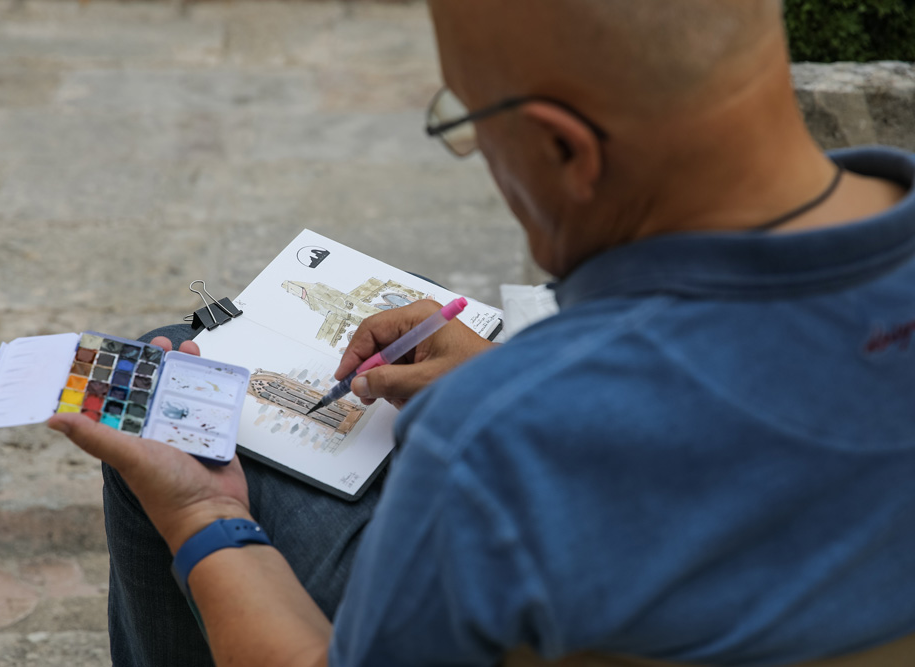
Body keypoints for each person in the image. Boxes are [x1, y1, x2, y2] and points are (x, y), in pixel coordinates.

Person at [49, 0, 915, 665]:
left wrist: (202, 514)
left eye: (468, 125)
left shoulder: (497, 444)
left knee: (169, 405)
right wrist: (507, 374)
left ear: (565, 151)